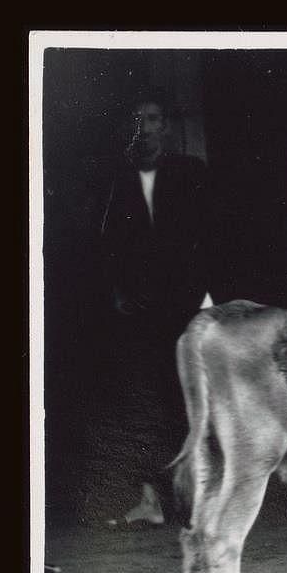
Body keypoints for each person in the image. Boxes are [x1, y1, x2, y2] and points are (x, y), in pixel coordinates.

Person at [98, 88, 215, 526]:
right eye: (135, 120)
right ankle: (151, 500)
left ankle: (202, 500)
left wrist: (208, 294)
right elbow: (108, 246)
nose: (142, 129)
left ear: (165, 127)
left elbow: (212, 237)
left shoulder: (190, 173)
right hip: (142, 309)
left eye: (150, 119)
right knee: (145, 403)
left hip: (188, 305)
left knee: (194, 398)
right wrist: (118, 292)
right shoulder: (117, 181)